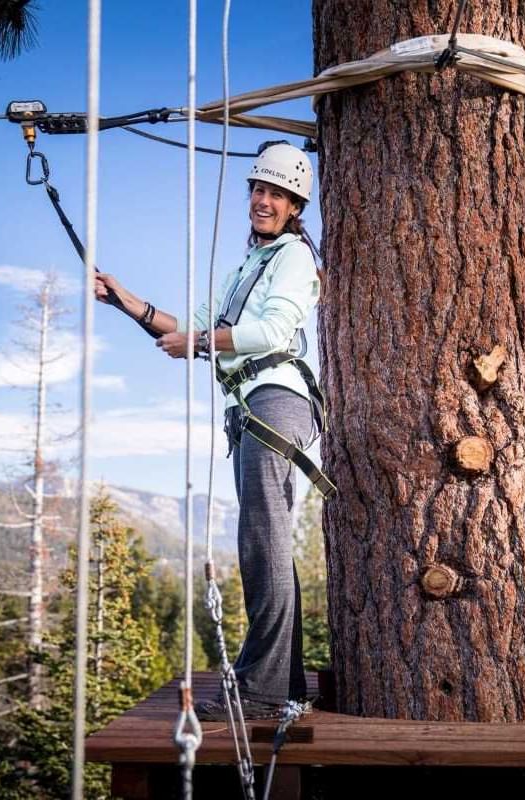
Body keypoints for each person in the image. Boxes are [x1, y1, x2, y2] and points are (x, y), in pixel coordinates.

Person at [94, 142, 328, 719]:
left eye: (276, 194)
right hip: (255, 404)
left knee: (262, 541)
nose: (262, 200)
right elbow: (194, 326)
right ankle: (285, 682)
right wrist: (126, 301)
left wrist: (200, 343)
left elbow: (271, 332)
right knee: (264, 540)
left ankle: (263, 690)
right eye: (258, 189)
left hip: (276, 400)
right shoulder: (248, 266)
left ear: (296, 205)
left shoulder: (294, 258)